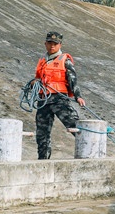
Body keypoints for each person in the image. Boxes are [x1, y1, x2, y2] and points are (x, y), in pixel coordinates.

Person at [31, 31, 86, 160]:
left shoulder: (64, 59)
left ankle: (90, 153)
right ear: (45, 44)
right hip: (43, 100)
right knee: (42, 133)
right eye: (50, 43)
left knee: (74, 126)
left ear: (60, 45)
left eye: (55, 44)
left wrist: (78, 96)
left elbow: (72, 79)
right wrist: (34, 82)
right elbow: (38, 77)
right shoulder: (42, 60)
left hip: (59, 99)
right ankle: (43, 160)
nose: (52, 46)